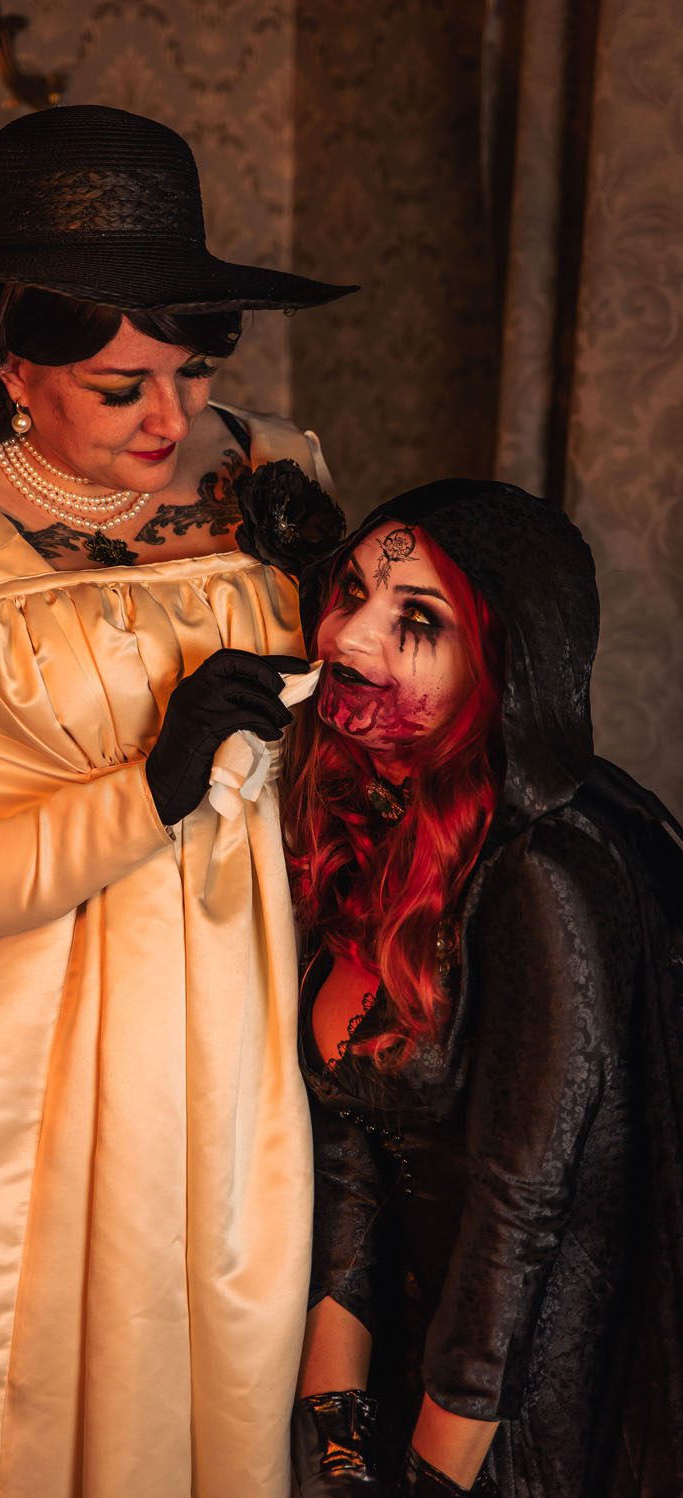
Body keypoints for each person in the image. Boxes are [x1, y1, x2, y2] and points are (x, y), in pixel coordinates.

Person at [0, 106, 354, 1498]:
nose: (175, 418)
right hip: (5, 1059)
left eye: (193, 367)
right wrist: (144, 792)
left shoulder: (276, 466)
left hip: (233, 1029)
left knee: (213, 1376)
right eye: (119, 386)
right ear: (11, 369)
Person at [269, 477, 683, 1497]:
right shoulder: (372, 823)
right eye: (351, 591)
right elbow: (350, 1157)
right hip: (412, 1366)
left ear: (500, 667)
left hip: (522, 1413)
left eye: (416, 621)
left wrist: (430, 1478)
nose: (348, 636)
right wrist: (334, 1437)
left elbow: (521, 1213)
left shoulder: (544, 874)